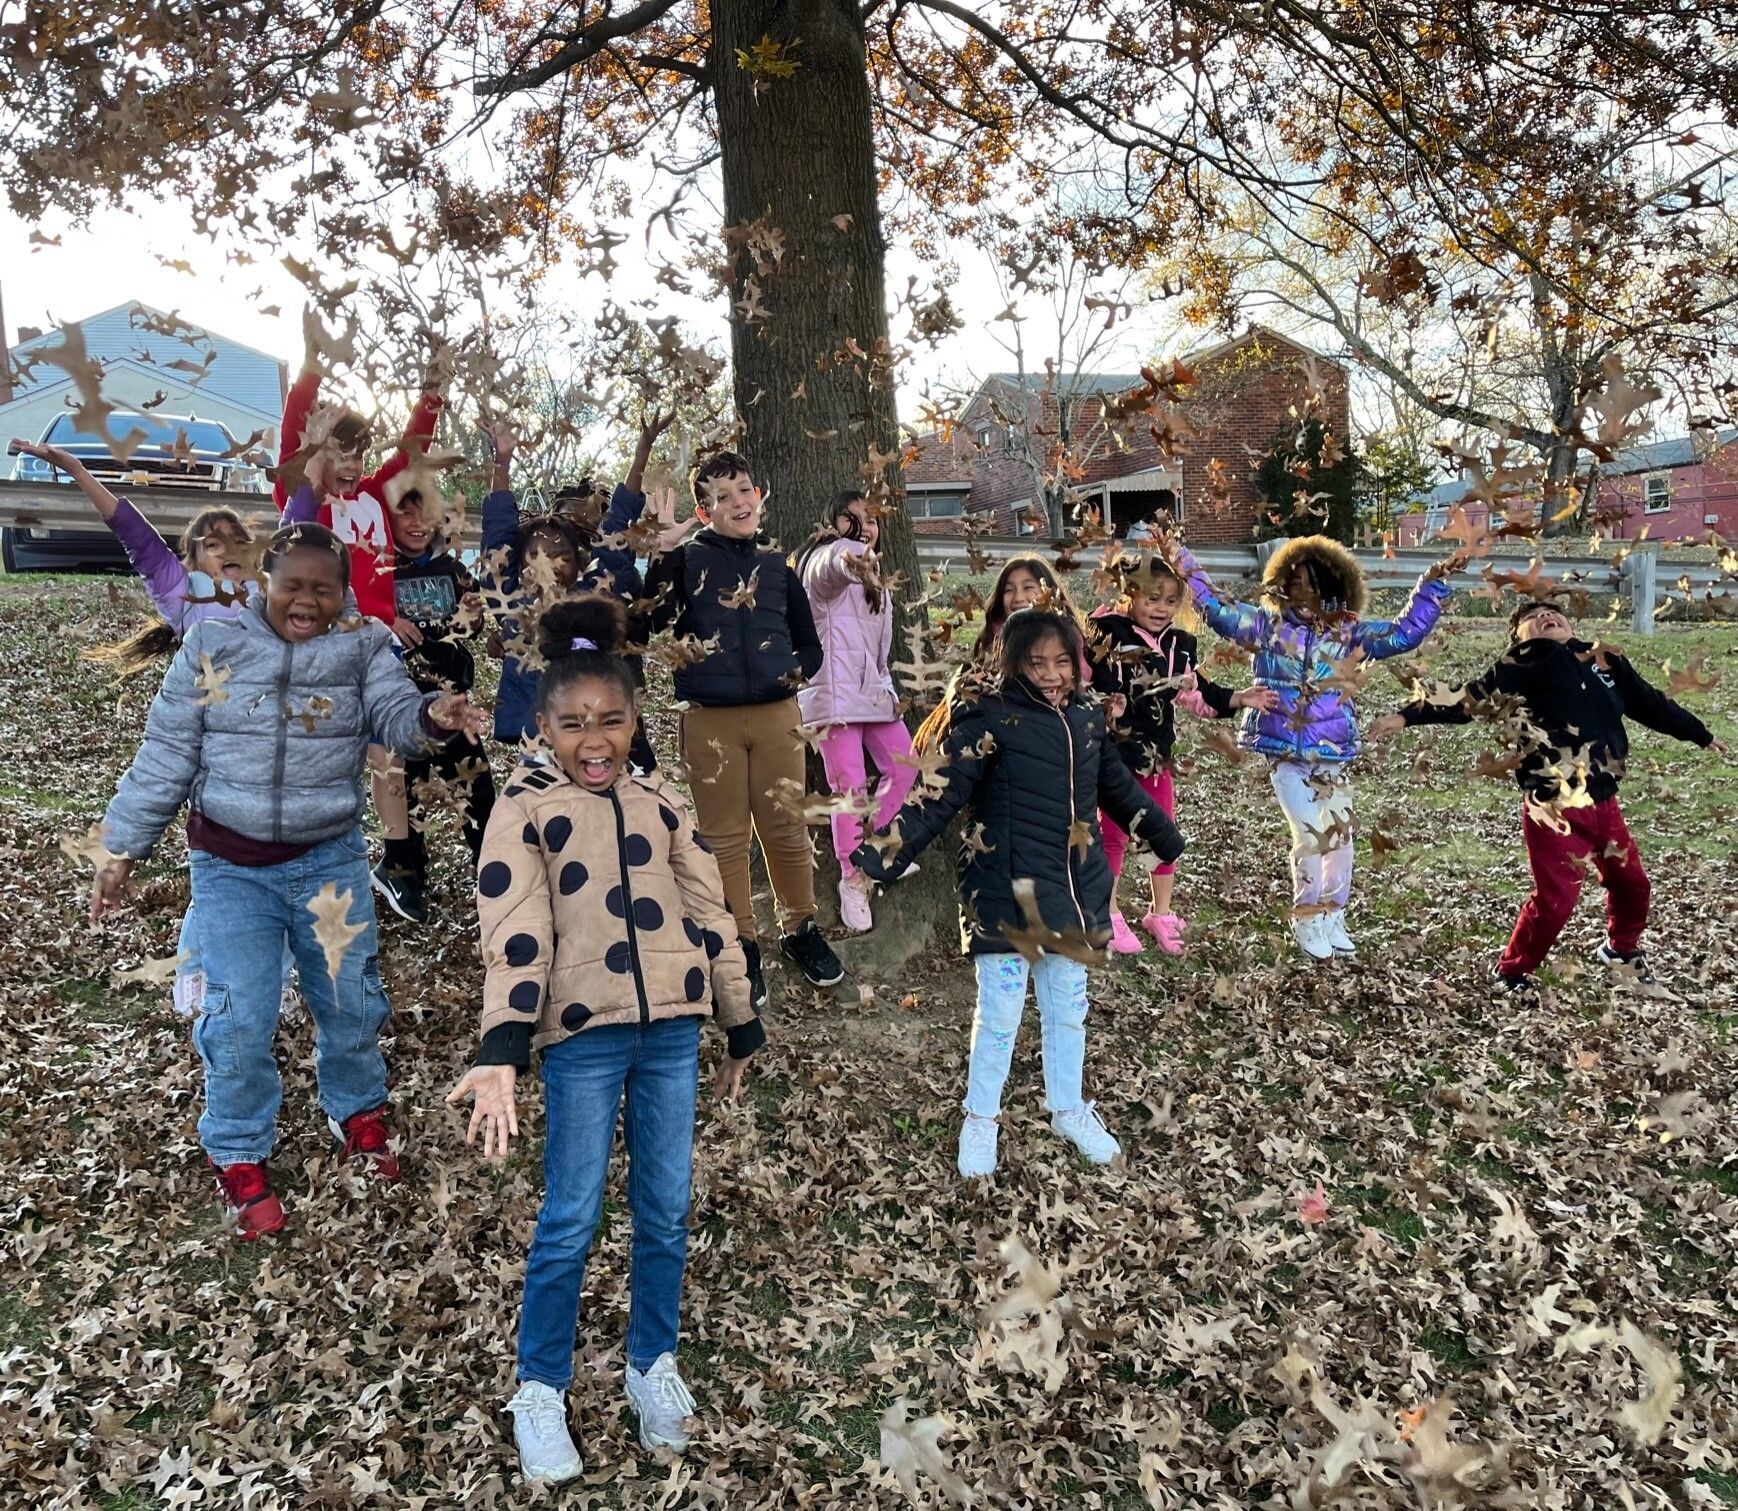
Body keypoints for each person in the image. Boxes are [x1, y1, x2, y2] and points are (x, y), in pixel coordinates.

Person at [445, 595, 764, 1483]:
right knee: (571, 1216)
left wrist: (739, 1017)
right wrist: (503, 1046)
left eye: (613, 720)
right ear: (543, 725)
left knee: (664, 1209)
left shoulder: (661, 797)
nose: (595, 738)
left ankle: (649, 1362)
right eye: (574, 722)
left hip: (671, 1032)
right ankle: (540, 1387)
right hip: (579, 1039)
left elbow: (709, 908)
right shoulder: (523, 806)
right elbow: (515, 926)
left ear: (635, 722)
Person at [91, 521, 485, 1238]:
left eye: (323, 589)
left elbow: (397, 714)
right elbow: (166, 752)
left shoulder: (363, 647)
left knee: (350, 997)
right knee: (238, 1015)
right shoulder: (214, 645)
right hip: (230, 870)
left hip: (327, 861)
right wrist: (122, 847)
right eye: (292, 585)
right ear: (263, 579)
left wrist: (434, 716)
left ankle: (357, 1109)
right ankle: (238, 1149)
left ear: (343, 593)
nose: (306, 601)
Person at [853, 606, 1184, 1179]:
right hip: (1008, 893)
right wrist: (881, 856)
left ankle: (1069, 1108)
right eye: (1037, 664)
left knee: (1068, 1011)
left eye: (1062, 662)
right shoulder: (989, 719)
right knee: (1001, 1014)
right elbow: (939, 796)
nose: (1052, 674)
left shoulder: (1086, 718)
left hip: (1076, 892)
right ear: (1013, 664)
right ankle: (980, 1118)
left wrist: (1162, 834)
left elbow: (1120, 790)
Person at [12, 436, 261, 1015]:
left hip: (260, 750)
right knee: (220, 870)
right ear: (192, 559)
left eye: (237, 543)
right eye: (211, 544)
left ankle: (273, 979)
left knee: (271, 870)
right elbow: (131, 528)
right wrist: (73, 467)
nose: (226, 551)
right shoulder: (183, 597)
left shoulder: (265, 598)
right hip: (205, 754)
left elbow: (301, 518)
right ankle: (196, 974)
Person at [1369, 599, 1729, 991]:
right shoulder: (1523, 664)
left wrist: (1699, 733)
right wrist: (1406, 716)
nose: (1545, 617)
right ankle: (1512, 970)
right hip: (1554, 807)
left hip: (1604, 802)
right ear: (1518, 638)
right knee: (1556, 900)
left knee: (1633, 885)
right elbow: (1467, 699)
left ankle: (1621, 950)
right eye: (1531, 618)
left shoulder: (1604, 661)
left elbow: (1650, 703)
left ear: (1571, 625)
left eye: (1553, 613)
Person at [1166, 531, 1460, 962]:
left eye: (1314, 583)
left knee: (1341, 839)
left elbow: (1402, 635)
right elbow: (1216, 608)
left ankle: (1332, 914)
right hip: (1285, 755)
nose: (1303, 592)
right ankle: (1306, 916)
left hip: (1331, 754)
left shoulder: (1350, 635)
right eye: (1295, 582)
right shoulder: (1266, 628)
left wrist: (1432, 585)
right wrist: (1179, 555)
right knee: (1308, 835)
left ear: (1334, 589)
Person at [642, 450, 844, 1002]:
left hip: (779, 715)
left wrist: (795, 673)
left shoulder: (778, 565)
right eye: (722, 497)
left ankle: (800, 927)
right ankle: (740, 944)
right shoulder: (686, 561)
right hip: (711, 721)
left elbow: (807, 637)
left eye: (745, 490)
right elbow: (652, 620)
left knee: (785, 826)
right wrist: (661, 555)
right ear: (704, 513)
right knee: (725, 837)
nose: (739, 502)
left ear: (759, 496)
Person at [1087, 553, 1278, 954]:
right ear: (1130, 596)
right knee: (1114, 835)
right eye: (1151, 598)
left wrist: (1239, 697)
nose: (1160, 608)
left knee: (1163, 830)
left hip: (1158, 756)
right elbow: (1088, 685)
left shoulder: (1179, 645)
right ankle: (1109, 911)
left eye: (1170, 601)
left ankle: (1161, 912)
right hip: (1115, 756)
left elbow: (1195, 692)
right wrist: (1108, 705)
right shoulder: (1105, 634)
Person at [477, 417, 664, 771]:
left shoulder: (593, 603)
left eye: (562, 556)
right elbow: (497, 538)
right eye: (536, 555)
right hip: (541, 745)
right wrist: (501, 462)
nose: (550, 565)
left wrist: (641, 454)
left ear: (579, 562)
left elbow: (616, 535)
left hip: (600, 741)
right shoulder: (513, 604)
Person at [368, 477, 497, 921]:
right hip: (402, 705)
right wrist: (387, 618)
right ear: (387, 518)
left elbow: (469, 628)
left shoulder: (452, 570)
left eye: (425, 514)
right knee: (404, 787)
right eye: (405, 513)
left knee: (475, 786)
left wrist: (474, 617)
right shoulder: (378, 571)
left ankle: (494, 871)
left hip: (453, 701)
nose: (417, 523)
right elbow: (357, 613)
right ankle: (404, 870)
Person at [794, 490, 919, 932]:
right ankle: (854, 878)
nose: (866, 526)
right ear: (833, 525)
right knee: (849, 788)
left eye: (872, 520)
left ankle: (879, 849)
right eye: (854, 518)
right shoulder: (823, 564)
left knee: (905, 765)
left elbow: (877, 648)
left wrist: (882, 683)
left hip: (872, 693)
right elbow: (833, 567)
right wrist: (848, 552)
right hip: (833, 695)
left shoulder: (875, 577)